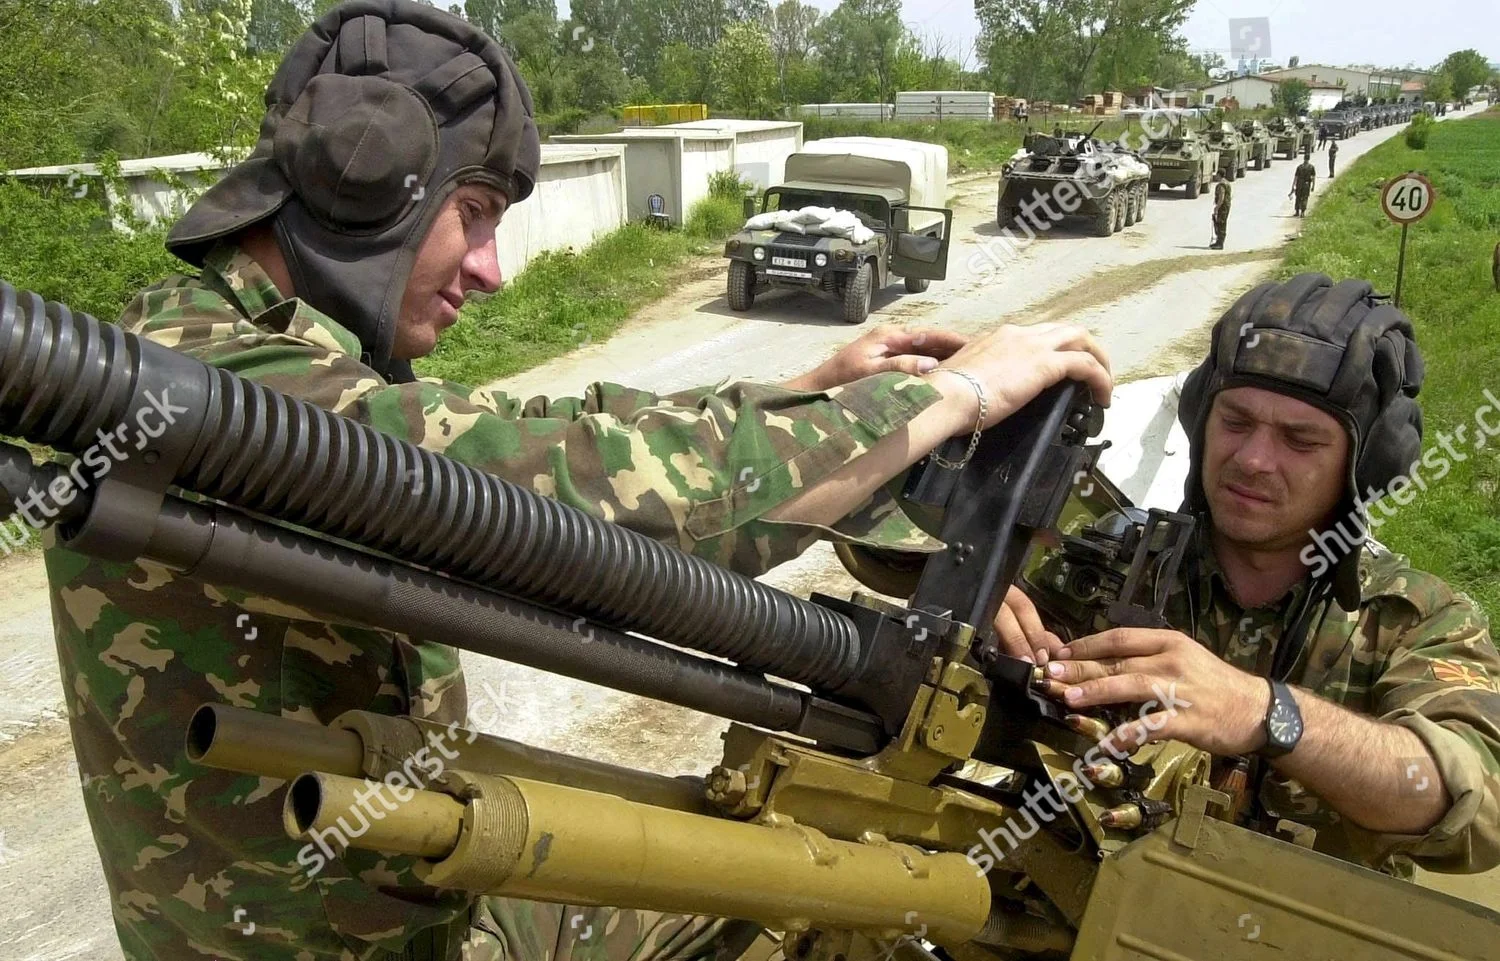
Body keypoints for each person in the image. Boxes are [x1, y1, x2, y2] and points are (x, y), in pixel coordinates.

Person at [40, 3, 1114, 961]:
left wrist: (806, 391)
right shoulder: (204, 380)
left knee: (778, 889)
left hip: (409, 899)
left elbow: (535, 428)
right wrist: (947, 403)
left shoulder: (251, 352)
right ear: (366, 178)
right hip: (339, 934)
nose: (492, 271)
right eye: (477, 214)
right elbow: (527, 500)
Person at [995, 274, 1500, 879]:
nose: (1254, 459)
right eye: (1235, 422)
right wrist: (980, 598)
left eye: (1300, 439)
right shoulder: (1108, 564)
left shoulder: (1411, 620)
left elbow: (1476, 809)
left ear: (1363, 467)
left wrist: (1268, 714)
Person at [1290, 149, 1317, 217]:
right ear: (1309, 159)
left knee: (1298, 197)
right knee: (1305, 198)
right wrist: (1313, 186)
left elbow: (1296, 177)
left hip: (1299, 184)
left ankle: (1297, 211)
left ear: (1304, 158)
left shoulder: (1299, 167)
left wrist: (1293, 186)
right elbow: (1313, 177)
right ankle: (1302, 212)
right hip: (1306, 185)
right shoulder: (1311, 167)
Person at [1211, 169, 1231, 249]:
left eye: (1216, 174)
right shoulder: (1227, 183)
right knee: (1221, 223)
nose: (1215, 176)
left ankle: (1220, 243)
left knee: (1221, 224)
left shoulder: (1221, 185)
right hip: (1226, 205)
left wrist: (1217, 207)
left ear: (1219, 175)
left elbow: (1221, 197)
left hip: (1222, 207)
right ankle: (1218, 242)